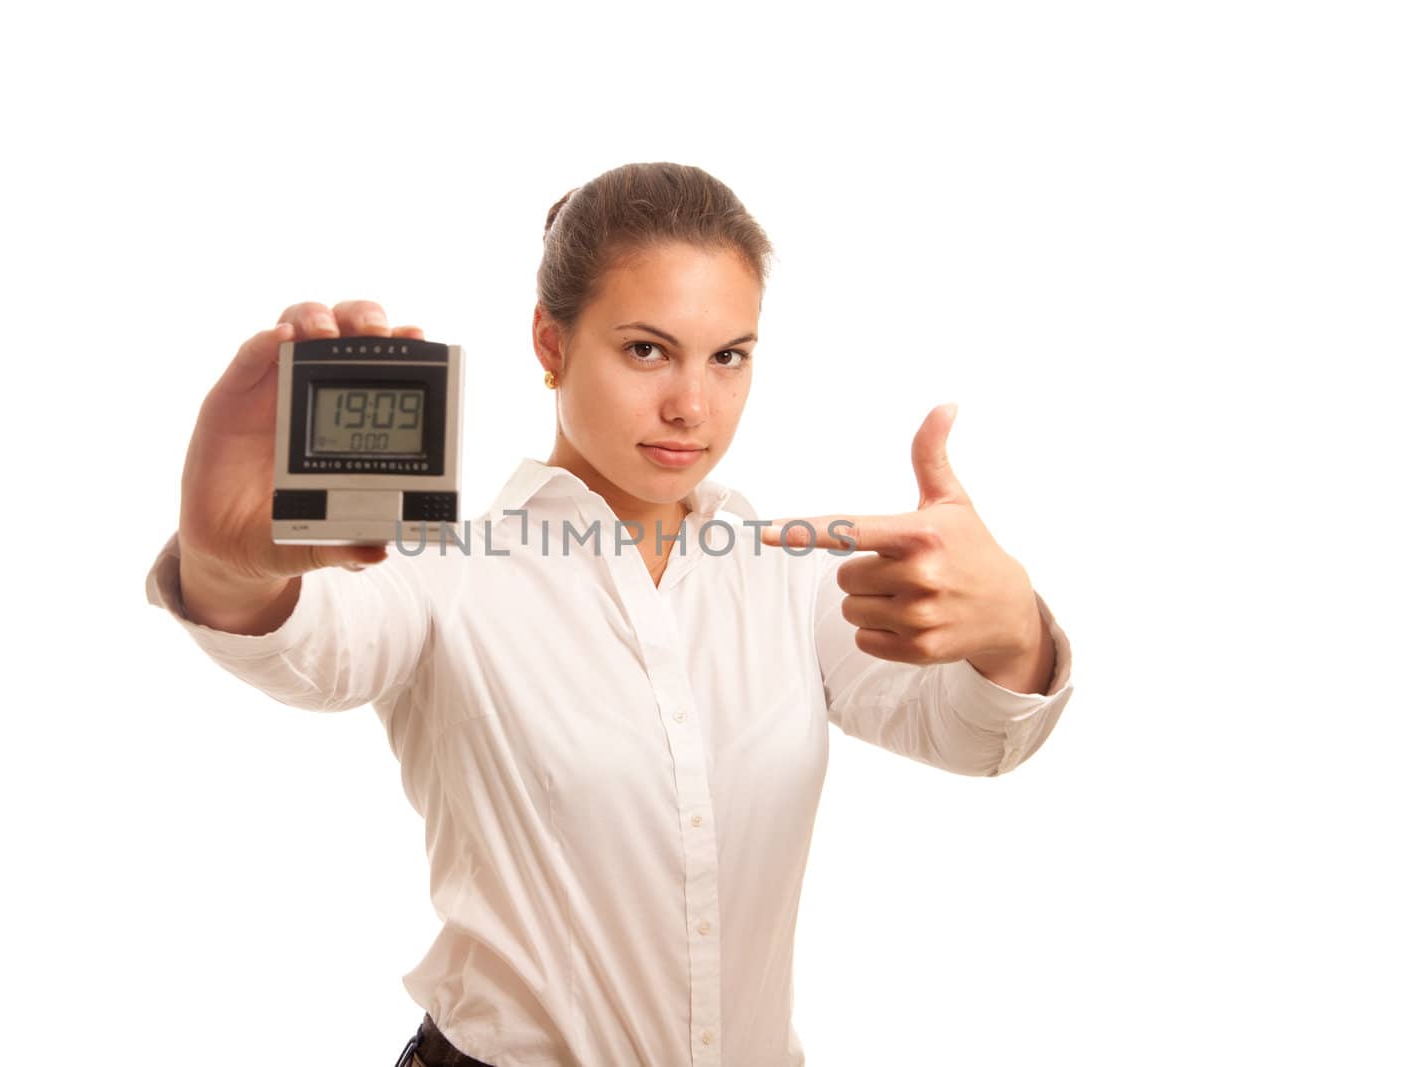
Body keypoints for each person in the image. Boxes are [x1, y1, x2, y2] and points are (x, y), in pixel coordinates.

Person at [143, 161, 1075, 1067]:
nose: (692, 405)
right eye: (646, 349)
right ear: (551, 344)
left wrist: (1011, 629)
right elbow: (312, 644)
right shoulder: (440, 568)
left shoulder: (782, 574)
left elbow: (971, 737)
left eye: (729, 357)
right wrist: (228, 567)